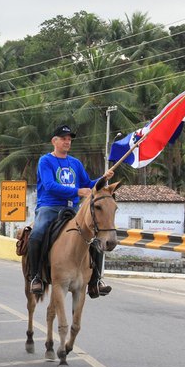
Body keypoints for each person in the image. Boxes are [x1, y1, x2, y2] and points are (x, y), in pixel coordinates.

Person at [27, 124, 115, 298]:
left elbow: (88, 184)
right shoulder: (45, 161)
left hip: (73, 208)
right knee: (36, 233)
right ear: (54, 141)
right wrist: (77, 191)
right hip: (49, 207)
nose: (67, 142)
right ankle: (36, 276)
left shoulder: (75, 163)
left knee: (94, 234)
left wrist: (103, 179)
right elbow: (49, 186)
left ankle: (96, 280)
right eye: (64, 139)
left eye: (69, 139)